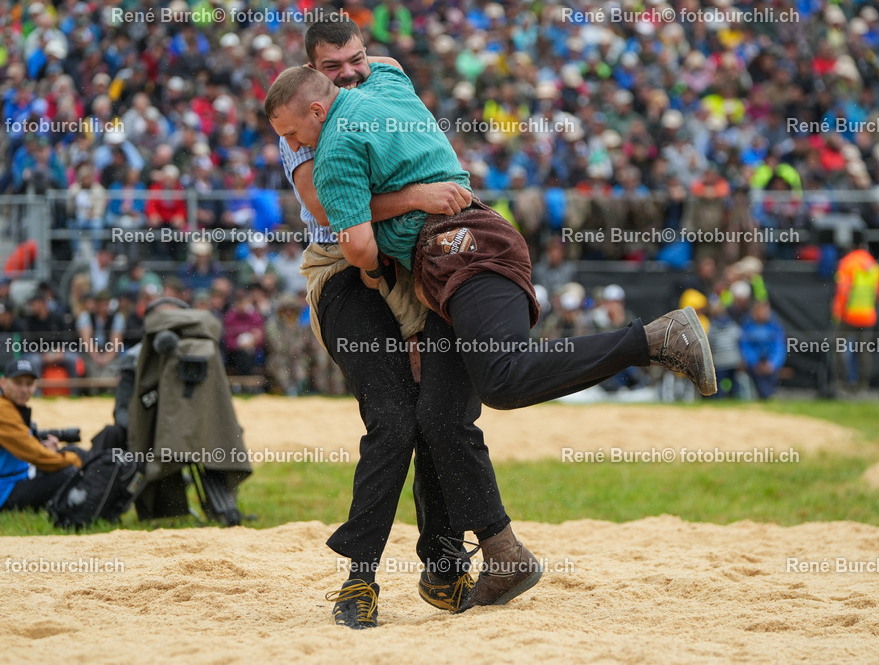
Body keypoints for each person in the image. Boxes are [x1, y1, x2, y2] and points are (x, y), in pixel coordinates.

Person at [267, 57, 717, 614]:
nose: (292, 145)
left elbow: (357, 244)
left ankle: (654, 339)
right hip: (446, 263)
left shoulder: (332, 146)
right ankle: (502, 554)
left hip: (460, 252)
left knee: (501, 379)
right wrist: (417, 194)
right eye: (337, 66)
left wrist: (383, 263)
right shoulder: (385, 86)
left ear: (317, 105)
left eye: (291, 133)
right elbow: (384, 67)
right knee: (438, 416)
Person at [278, 20, 507, 629]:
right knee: (393, 418)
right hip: (347, 269)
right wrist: (420, 196)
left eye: (357, 60)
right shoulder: (300, 128)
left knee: (440, 411)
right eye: (334, 68)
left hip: (416, 259)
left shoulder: (382, 75)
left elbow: (383, 67)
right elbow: (337, 217)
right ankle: (359, 579)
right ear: (312, 80)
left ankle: (442, 561)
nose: (352, 73)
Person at [0, 358, 83, 514]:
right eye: (18, 383)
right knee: (69, 469)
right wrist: (74, 460)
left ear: (35, 385)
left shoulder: (0, 404)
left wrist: (59, 454)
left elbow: (31, 451)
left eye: (29, 384)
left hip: (0, 485)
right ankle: (79, 507)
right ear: (3, 383)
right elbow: (37, 456)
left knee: (71, 454)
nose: (24, 389)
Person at [831, 243, 879, 395]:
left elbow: (843, 292)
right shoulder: (873, 265)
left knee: (838, 346)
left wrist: (837, 313)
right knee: (864, 351)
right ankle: (862, 386)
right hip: (867, 315)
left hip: (849, 315)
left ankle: (842, 384)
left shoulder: (848, 263)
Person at [740, 300, 787, 399]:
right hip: (755, 365)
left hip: (770, 363)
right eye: (759, 310)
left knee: (768, 386)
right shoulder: (748, 326)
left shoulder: (775, 326)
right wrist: (755, 363)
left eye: (765, 310)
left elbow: (779, 347)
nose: (762, 313)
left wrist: (772, 364)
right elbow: (746, 347)